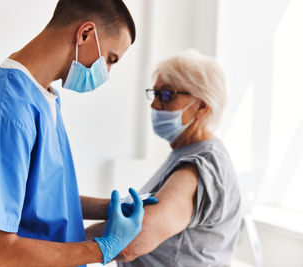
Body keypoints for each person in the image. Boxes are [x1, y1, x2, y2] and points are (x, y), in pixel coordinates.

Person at [0, 1, 156, 266]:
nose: (107, 73)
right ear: (85, 34)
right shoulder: (4, 113)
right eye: (111, 59)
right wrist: (105, 247)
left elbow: (39, 198)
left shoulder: (43, 98)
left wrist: (110, 207)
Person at [86, 50, 242, 266]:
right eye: (155, 93)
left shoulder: (200, 166)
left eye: (167, 95)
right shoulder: (188, 152)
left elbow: (133, 240)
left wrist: (60, 240)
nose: (154, 104)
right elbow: (133, 211)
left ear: (202, 107)